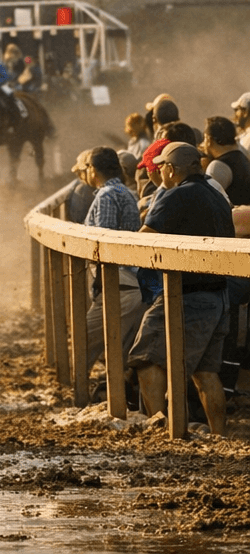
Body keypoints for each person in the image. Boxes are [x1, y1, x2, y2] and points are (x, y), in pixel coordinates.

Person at [131, 142, 235, 435]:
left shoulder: (175, 195)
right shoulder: (216, 195)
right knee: (206, 373)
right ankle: (219, 436)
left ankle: (165, 429)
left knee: (145, 357)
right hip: (219, 295)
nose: (159, 170)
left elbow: (142, 241)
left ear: (171, 169)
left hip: (186, 294)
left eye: (162, 165)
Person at [75, 147, 143, 388]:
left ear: (93, 170)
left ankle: (78, 393)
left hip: (118, 284)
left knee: (85, 340)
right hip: (129, 283)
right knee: (116, 347)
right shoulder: (124, 191)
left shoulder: (106, 195)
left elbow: (104, 242)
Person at [202, 116, 250, 205]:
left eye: (204, 137)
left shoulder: (218, 166)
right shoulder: (243, 158)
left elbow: (208, 203)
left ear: (208, 139)